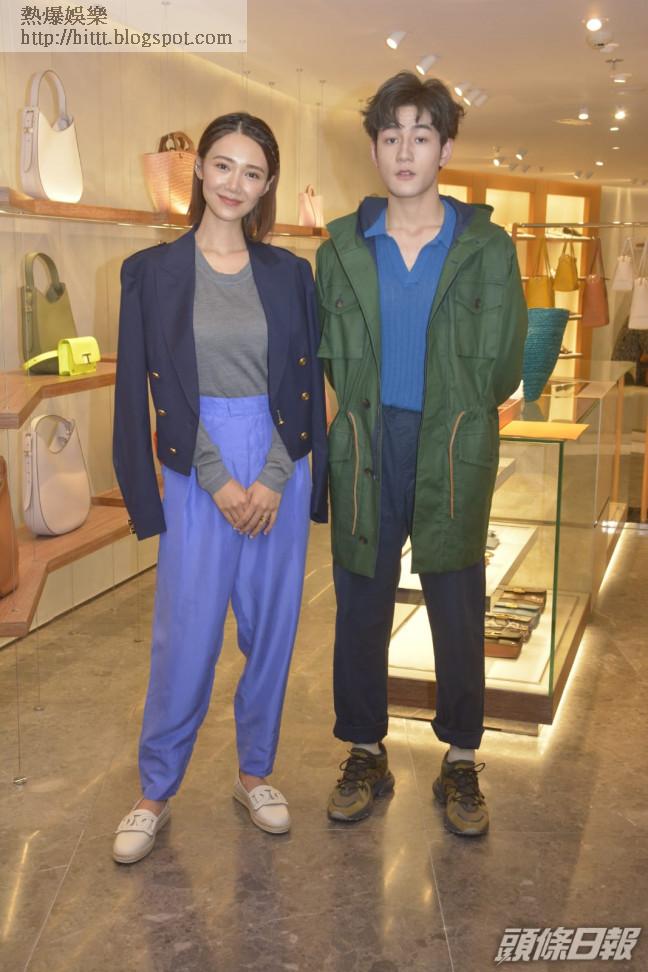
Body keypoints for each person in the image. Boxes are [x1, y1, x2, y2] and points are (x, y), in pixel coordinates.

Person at [111, 112, 327, 863]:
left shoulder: (290, 274)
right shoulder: (151, 272)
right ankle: (155, 789)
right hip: (195, 460)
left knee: (272, 629)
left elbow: (304, 384)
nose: (236, 183)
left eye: (253, 172)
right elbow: (152, 388)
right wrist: (215, 477)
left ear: (267, 186)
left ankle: (255, 773)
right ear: (199, 168)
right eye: (225, 165)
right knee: (187, 631)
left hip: (277, 460)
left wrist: (273, 477)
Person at [316, 72, 527, 837]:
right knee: (361, 605)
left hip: (451, 441)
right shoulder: (341, 249)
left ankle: (461, 759)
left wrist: (456, 410)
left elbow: (505, 365)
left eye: (422, 134)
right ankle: (364, 750)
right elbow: (326, 359)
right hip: (367, 444)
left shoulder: (487, 249)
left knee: (458, 606)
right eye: (391, 134)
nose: (405, 150)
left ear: (444, 149)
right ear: (374, 148)